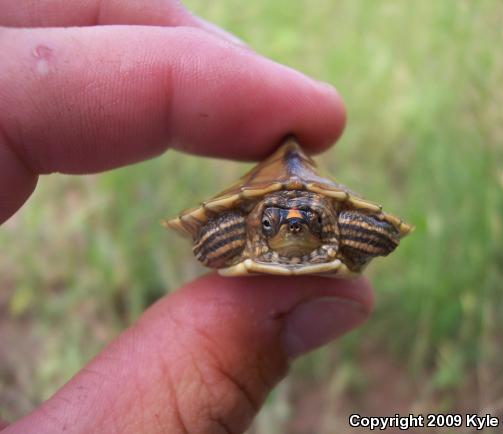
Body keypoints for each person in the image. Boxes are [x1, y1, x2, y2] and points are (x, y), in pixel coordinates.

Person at [0, 1, 373, 432]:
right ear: (256, 224)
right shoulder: (243, 226)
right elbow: (214, 235)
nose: (291, 226)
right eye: (273, 222)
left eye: (305, 221)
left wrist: (360, 236)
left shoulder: (339, 225)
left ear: (326, 223)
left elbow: (373, 230)